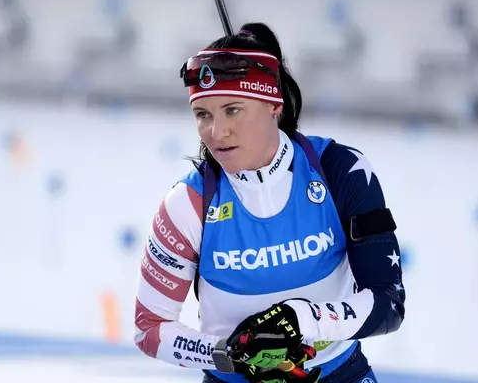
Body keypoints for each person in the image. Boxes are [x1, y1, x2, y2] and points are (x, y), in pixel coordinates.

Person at [134, 22, 405, 383]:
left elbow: (388, 302)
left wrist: (300, 320)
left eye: (232, 110)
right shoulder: (188, 204)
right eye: (203, 115)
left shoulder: (340, 170)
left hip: (339, 374)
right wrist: (228, 355)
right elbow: (149, 328)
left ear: (273, 103)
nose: (217, 132)